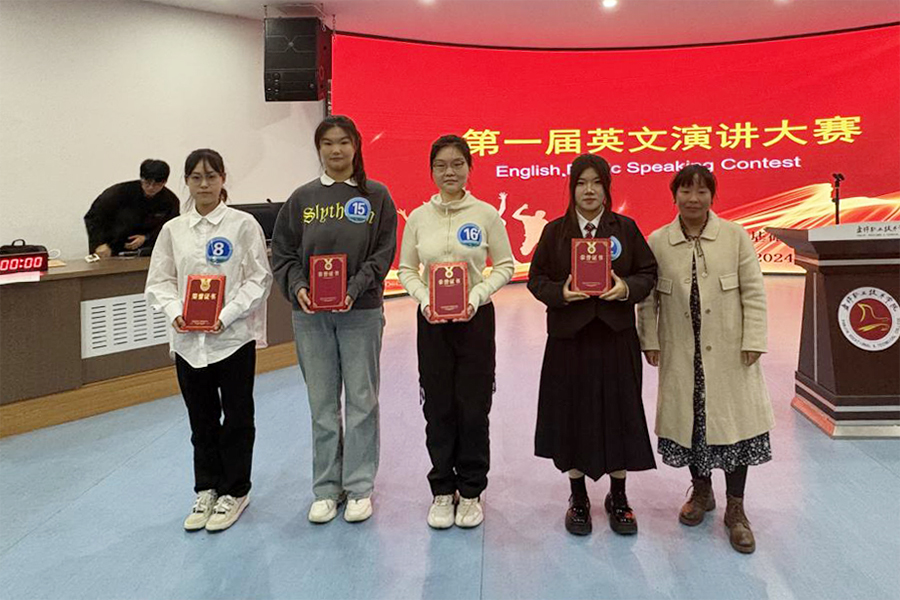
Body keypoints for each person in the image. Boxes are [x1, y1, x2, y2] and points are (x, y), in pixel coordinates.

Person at [637, 164, 773, 554]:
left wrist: (754, 339)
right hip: (682, 351)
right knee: (693, 424)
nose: (693, 199)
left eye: (701, 191)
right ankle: (701, 492)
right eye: (685, 191)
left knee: (735, 428)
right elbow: (647, 300)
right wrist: (649, 340)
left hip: (730, 353)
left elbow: (754, 291)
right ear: (674, 196)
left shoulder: (735, 236)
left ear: (713, 196)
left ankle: (736, 509)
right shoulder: (658, 241)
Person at [272, 115, 397, 525]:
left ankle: (359, 487)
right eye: (327, 142)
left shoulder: (376, 196)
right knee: (322, 405)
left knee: (362, 401)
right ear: (319, 149)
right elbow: (284, 255)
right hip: (311, 317)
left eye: (344, 141)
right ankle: (326, 488)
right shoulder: (301, 199)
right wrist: (298, 288)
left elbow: (382, 254)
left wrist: (354, 289)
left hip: (361, 313)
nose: (336, 149)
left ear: (356, 145)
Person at [527, 153, 657, 537]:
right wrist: (562, 293)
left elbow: (648, 272)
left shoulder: (625, 229)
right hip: (569, 340)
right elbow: (537, 279)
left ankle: (619, 496)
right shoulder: (555, 232)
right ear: (572, 188)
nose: (589, 190)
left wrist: (625, 288)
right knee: (571, 415)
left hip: (616, 337)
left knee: (620, 413)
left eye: (596, 183)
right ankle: (578, 497)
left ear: (606, 189)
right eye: (581, 183)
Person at [145, 149, 272, 532]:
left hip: (232, 339)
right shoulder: (173, 230)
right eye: (196, 178)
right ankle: (206, 489)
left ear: (223, 179)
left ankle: (236, 490)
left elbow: (259, 279)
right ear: (186, 181)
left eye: (211, 176)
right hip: (188, 344)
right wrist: (175, 312)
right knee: (200, 421)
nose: (204, 184)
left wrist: (225, 315)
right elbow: (159, 281)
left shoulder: (243, 224)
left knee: (237, 418)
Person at [398, 135, 515, 529]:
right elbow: (406, 269)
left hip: (475, 321)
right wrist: (425, 300)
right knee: (438, 407)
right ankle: (442, 489)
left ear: (469, 168)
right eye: (441, 165)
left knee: (473, 407)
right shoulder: (418, 218)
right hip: (432, 323)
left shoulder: (486, 214)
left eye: (457, 164)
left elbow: (505, 265)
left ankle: (471, 490)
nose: (449, 172)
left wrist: (477, 296)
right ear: (431, 171)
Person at [85, 159, 180, 257]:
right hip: (111, 249)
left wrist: (147, 238)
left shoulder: (171, 201)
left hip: (148, 252)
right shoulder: (118, 193)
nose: (151, 187)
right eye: (147, 182)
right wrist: (99, 244)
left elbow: (171, 227)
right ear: (141, 178)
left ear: (165, 182)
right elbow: (93, 217)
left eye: (157, 184)